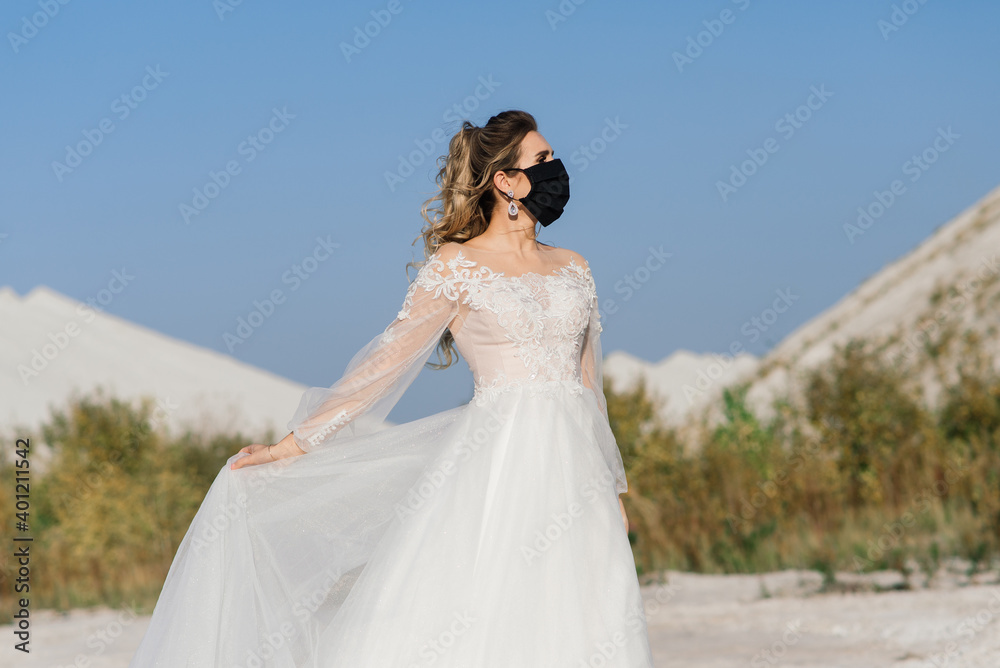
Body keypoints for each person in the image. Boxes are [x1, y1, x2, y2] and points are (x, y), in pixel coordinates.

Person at [128, 109, 655, 667]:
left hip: (578, 473)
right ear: (504, 181)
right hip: (499, 465)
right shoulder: (458, 265)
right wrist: (297, 443)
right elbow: (385, 363)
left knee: (589, 611)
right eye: (543, 160)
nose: (557, 169)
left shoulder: (574, 266)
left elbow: (587, 386)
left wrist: (613, 487)